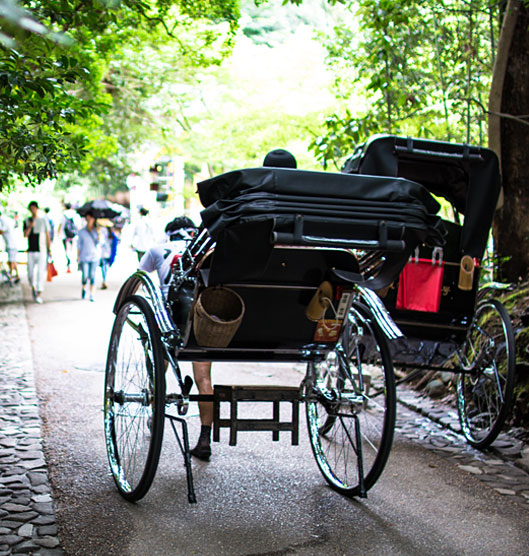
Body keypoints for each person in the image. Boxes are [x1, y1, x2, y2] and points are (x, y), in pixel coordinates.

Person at [139, 216, 213, 461]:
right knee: (203, 378)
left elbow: (139, 279)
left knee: (157, 370)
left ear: (169, 234)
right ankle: (204, 439)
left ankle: (155, 410)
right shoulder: (205, 249)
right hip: (200, 320)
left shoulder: (157, 249)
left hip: (169, 322)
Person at [23, 201, 51, 304]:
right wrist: (30, 226)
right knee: (30, 272)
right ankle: (34, 287)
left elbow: (47, 235)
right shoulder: (27, 220)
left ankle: (39, 292)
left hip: (42, 250)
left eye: (34, 208)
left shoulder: (43, 220)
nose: (33, 210)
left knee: (40, 272)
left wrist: (49, 249)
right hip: (31, 250)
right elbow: (25, 235)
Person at [77, 211, 101, 302]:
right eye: (87, 218)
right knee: (85, 275)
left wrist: (98, 233)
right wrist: (78, 256)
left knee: (93, 275)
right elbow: (79, 245)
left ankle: (91, 294)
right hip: (84, 256)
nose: (89, 220)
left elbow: (100, 243)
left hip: (94, 256)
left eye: (90, 218)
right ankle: (84, 288)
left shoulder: (97, 230)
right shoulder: (82, 231)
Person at [0, 208, 20, 283]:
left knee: (11, 261)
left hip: (11, 244)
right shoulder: (6, 219)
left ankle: (11, 277)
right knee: (13, 260)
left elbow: (2, 230)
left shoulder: (3, 220)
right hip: (11, 243)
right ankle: (17, 275)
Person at [58, 202, 78, 273]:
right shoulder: (75, 214)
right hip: (73, 236)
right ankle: (73, 262)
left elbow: (60, 225)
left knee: (66, 250)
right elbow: (78, 226)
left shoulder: (63, 214)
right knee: (72, 249)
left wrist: (58, 234)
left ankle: (69, 263)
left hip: (64, 235)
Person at [99, 225, 118, 289]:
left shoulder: (102, 232)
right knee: (105, 267)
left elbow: (101, 243)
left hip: (104, 253)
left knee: (104, 267)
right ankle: (105, 280)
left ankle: (104, 280)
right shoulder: (112, 235)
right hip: (108, 253)